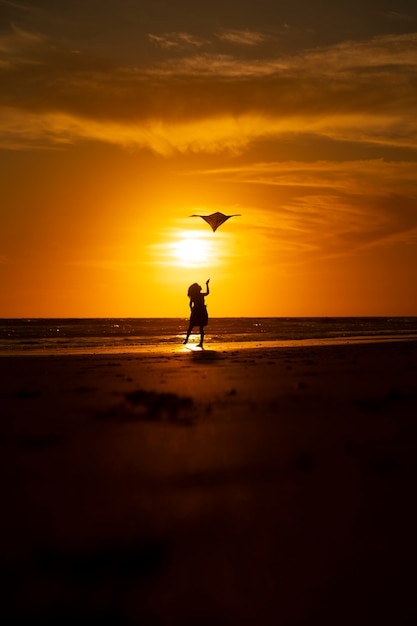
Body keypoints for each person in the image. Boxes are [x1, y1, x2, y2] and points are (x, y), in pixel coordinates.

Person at [183, 279, 210, 347]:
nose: (200, 286)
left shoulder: (199, 295)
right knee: (193, 327)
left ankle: (198, 342)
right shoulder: (197, 295)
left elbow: (190, 304)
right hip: (199, 311)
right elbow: (190, 304)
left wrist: (207, 284)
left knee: (196, 327)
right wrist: (192, 310)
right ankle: (187, 340)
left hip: (199, 311)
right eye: (198, 286)